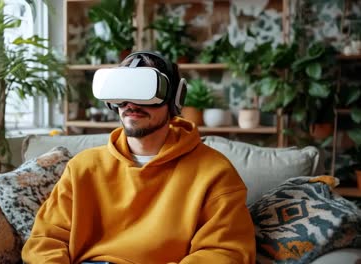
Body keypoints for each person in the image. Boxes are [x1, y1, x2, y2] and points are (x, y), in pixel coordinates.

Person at [22, 51, 256, 263]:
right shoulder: (83, 168)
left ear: (175, 99)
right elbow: (45, 242)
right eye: (122, 91)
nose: (130, 104)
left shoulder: (214, 172)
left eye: (145, 91)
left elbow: (226, 252)